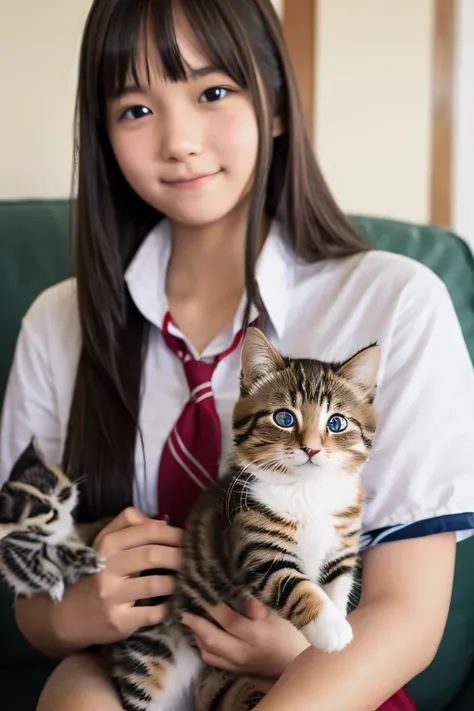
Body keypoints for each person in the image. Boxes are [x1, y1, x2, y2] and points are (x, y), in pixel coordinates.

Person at [1, 0, 473, 709]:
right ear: (101, 133)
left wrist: (299, 651)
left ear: (276, 104)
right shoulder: (58, 323)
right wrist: (75, 611)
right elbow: (34, 602)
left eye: (212, 92)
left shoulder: (396, 302)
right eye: (135, 109)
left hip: (321, 680)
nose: (179, 140)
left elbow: (407, 616)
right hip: (155, 665)